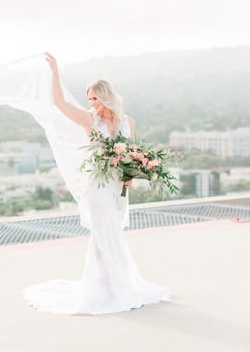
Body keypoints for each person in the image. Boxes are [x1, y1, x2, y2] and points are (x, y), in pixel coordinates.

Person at [21, 52, 172, 315]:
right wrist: (56, 71)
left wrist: (132, 175)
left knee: (111, 232)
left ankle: (107, 286)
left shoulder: (127, 122)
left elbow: (132, 153)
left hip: (118, 187)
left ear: (106, 96)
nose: (92, 103)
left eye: (95, 98)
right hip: (97, 185)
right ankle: (109, 289)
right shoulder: (89, 120)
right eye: (89, 98)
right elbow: (58, 102)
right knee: (104, 233)